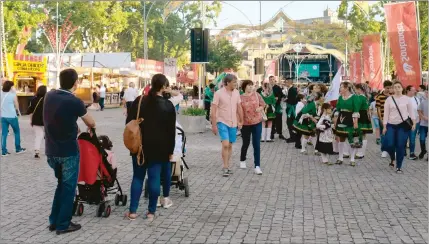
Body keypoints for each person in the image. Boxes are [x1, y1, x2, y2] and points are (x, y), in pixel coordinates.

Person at [44, 69, 96, 234]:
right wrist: (90, 127)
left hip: (51, 150)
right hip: (68, 151)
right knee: (68, 187)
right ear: (75, 83)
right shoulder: (74, 101)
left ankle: (54, 220)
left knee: (61, 184)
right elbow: (91, 121)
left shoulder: (49, 96)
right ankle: (63, 224)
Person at [125, 74, 176, 221]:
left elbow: (129, 122)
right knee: (154, 179)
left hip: (139, 146)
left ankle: (133, 211)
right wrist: (170, 151)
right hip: (159, 148)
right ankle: (151, 212)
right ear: (163, 87)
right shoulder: (168, 105)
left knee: (137, 177)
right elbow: (171, 132)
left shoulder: (139, 100)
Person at [211, 74, 244, 177]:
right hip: (222, 121)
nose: (236, 84)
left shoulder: (237, 93)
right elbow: (214, 109)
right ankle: (225, 167)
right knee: (225, 145)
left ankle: (227, 165)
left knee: (230, 145)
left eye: (236, 82)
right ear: (227, 83)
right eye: (234, 82)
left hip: (233, 122)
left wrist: (241, 120)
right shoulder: (218, 93)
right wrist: (214, 124)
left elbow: (239, 107)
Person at [383, 80, 416, 173]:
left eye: (399, 87)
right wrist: (385, 126)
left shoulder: (407, 99)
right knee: (389, 144)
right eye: (395, 87)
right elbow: (386, 114)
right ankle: (393, 158)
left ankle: (399, 166)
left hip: (403, 125)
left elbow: (411, 112)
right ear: (393, 89)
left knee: (401, 145)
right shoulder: (389, 99)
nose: (397, 89)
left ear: (402, 88)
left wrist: (414, 123)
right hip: (391, 124)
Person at [239, 80, 265, 175]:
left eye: (251, 85)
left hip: (257, 122)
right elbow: (238, 111)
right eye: (248, 85)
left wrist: (260, 108)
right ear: (244, 87)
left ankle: (257, 166)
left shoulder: (257, 95)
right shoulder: (240, 97)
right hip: (245, 124)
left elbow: (263, 104)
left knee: (256, 144)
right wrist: (239, 122)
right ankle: (242, 159)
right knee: (246, 143)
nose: (250, 87)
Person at [333, 82, 359, 166]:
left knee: (351, 139)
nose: (340, 89)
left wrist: (355, 122)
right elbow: (337, 109)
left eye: (341, 87)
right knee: (341, 138)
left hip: (350, 119)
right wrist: (335, 120)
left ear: (347, 88)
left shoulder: (354, 97)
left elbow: (356, 110)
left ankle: (352, 159)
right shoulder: (340, 97)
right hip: (341, 118)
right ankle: (340, 157)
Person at [1, 80, 26, 156]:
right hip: (12, 116)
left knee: (4, 134)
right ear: (11, 87)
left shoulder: (0, 93)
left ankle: (4, 151)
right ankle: (18, 149)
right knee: (16, 132)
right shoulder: (13, 95)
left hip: (3, 116)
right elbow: (17, 106)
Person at [27, 85, 47, 159]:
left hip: (35, 120)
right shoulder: (47, 100)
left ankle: (37, 151)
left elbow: (30, 111)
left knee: (38, 136)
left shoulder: (33, 99)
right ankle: (48, 150)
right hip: (46, 121)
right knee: (47, 137)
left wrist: (31, 120)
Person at [376, 80, 394, 158]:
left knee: (392, 135)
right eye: (387, 88)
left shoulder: (392, 96)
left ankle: (391, 150)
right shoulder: (379, 96)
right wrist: (380, 119)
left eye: (390, 88)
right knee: (383, 135)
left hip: (393, 119)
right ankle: (384, 150)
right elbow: (378, 109)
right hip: (383, 119)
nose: (388, 89)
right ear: (384, 87)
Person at [354, 84, 373, 159]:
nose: (355, 91)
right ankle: (361, 152)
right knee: (363, 134)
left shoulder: (360, 97)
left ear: (359, 89)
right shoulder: (365, 97)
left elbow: (356, 107)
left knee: (360, 134)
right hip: (365, 115)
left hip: (360, 116)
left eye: (356, 89)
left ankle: (360, 153)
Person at [405, 85, 420, 160]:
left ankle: (411, 153)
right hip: (405, 121)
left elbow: (419, 110)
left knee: (412, 138)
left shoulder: (416, 99)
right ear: (408, 90)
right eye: (413, 90)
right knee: (404, 138)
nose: (415, 91)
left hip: (415, 121)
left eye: (415, 90)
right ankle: (403, 151)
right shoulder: (403, 99)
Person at [270, 76, 286, 140]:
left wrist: (278, 98)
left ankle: (280, 134)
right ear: (269, 80)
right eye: (270, 79)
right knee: (271, 120)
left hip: (277, 106)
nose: (272, 80)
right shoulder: (267, 87)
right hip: (270, 107)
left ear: (275, 80)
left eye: (273, 79)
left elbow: (282, 95)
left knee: (279, 120)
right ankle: (271, 134)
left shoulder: (277, 87)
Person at [285, 78, 298, 143]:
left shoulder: (292, 90)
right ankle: (292, 137)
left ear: (290, 82)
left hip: (291, 109)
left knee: (290, 123)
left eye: (286, 82)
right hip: (291, 108)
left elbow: (292, 100)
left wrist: (286, 100)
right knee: (289, 123)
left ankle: (293, 137)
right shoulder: (291, 89)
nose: (285, 83)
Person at [417, 88, 428, 159]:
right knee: (422, 139)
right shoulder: (423, 102)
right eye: (426, 93)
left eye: (427, 92)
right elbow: (418, 110)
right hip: (423, 124)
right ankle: (423, 150)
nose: (426, 94)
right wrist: (423, 117)